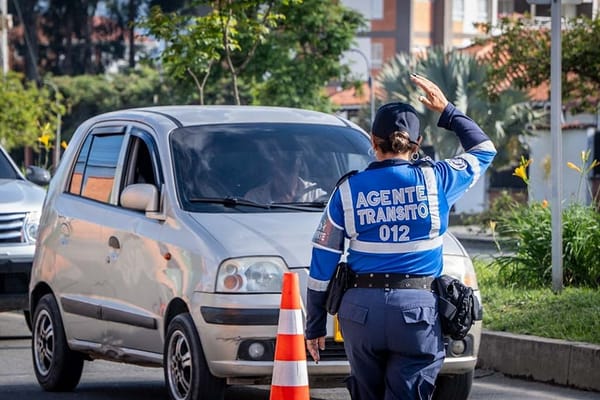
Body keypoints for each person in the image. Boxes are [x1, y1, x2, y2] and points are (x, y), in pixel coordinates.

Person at [304, 73, 497, 400]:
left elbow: (322, 264)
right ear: (417, 144)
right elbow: (484, 149)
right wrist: (447, 110)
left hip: (360, 313)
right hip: (417, 314)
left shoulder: (347, 189)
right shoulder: (438, 179)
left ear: (372, 142)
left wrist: (314, 326)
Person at [244, 149, 326, 203]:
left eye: (292, 156)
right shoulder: (254, 199)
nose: (287, 159)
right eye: (280, 155)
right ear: (272, 164)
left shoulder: (317, 195)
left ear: (301, 164)